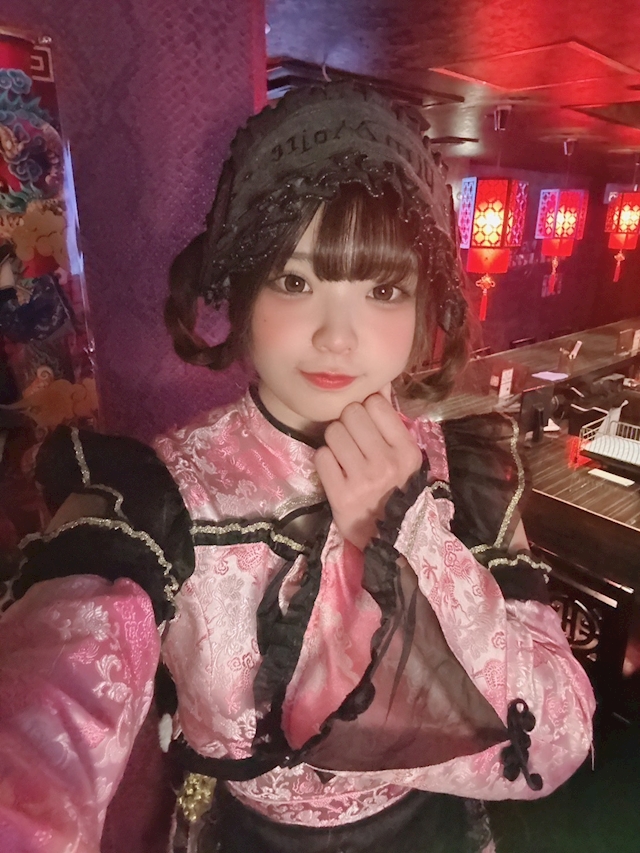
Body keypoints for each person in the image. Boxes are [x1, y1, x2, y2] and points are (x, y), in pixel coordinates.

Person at [0, 82, 595, 853]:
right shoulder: (160, 493)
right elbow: (44, 729)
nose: (336, 335)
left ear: (424, 311)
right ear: (242, 292)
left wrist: (408, 537)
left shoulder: (464, 469)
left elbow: (553, 744)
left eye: (383, 289)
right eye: (295, 280)